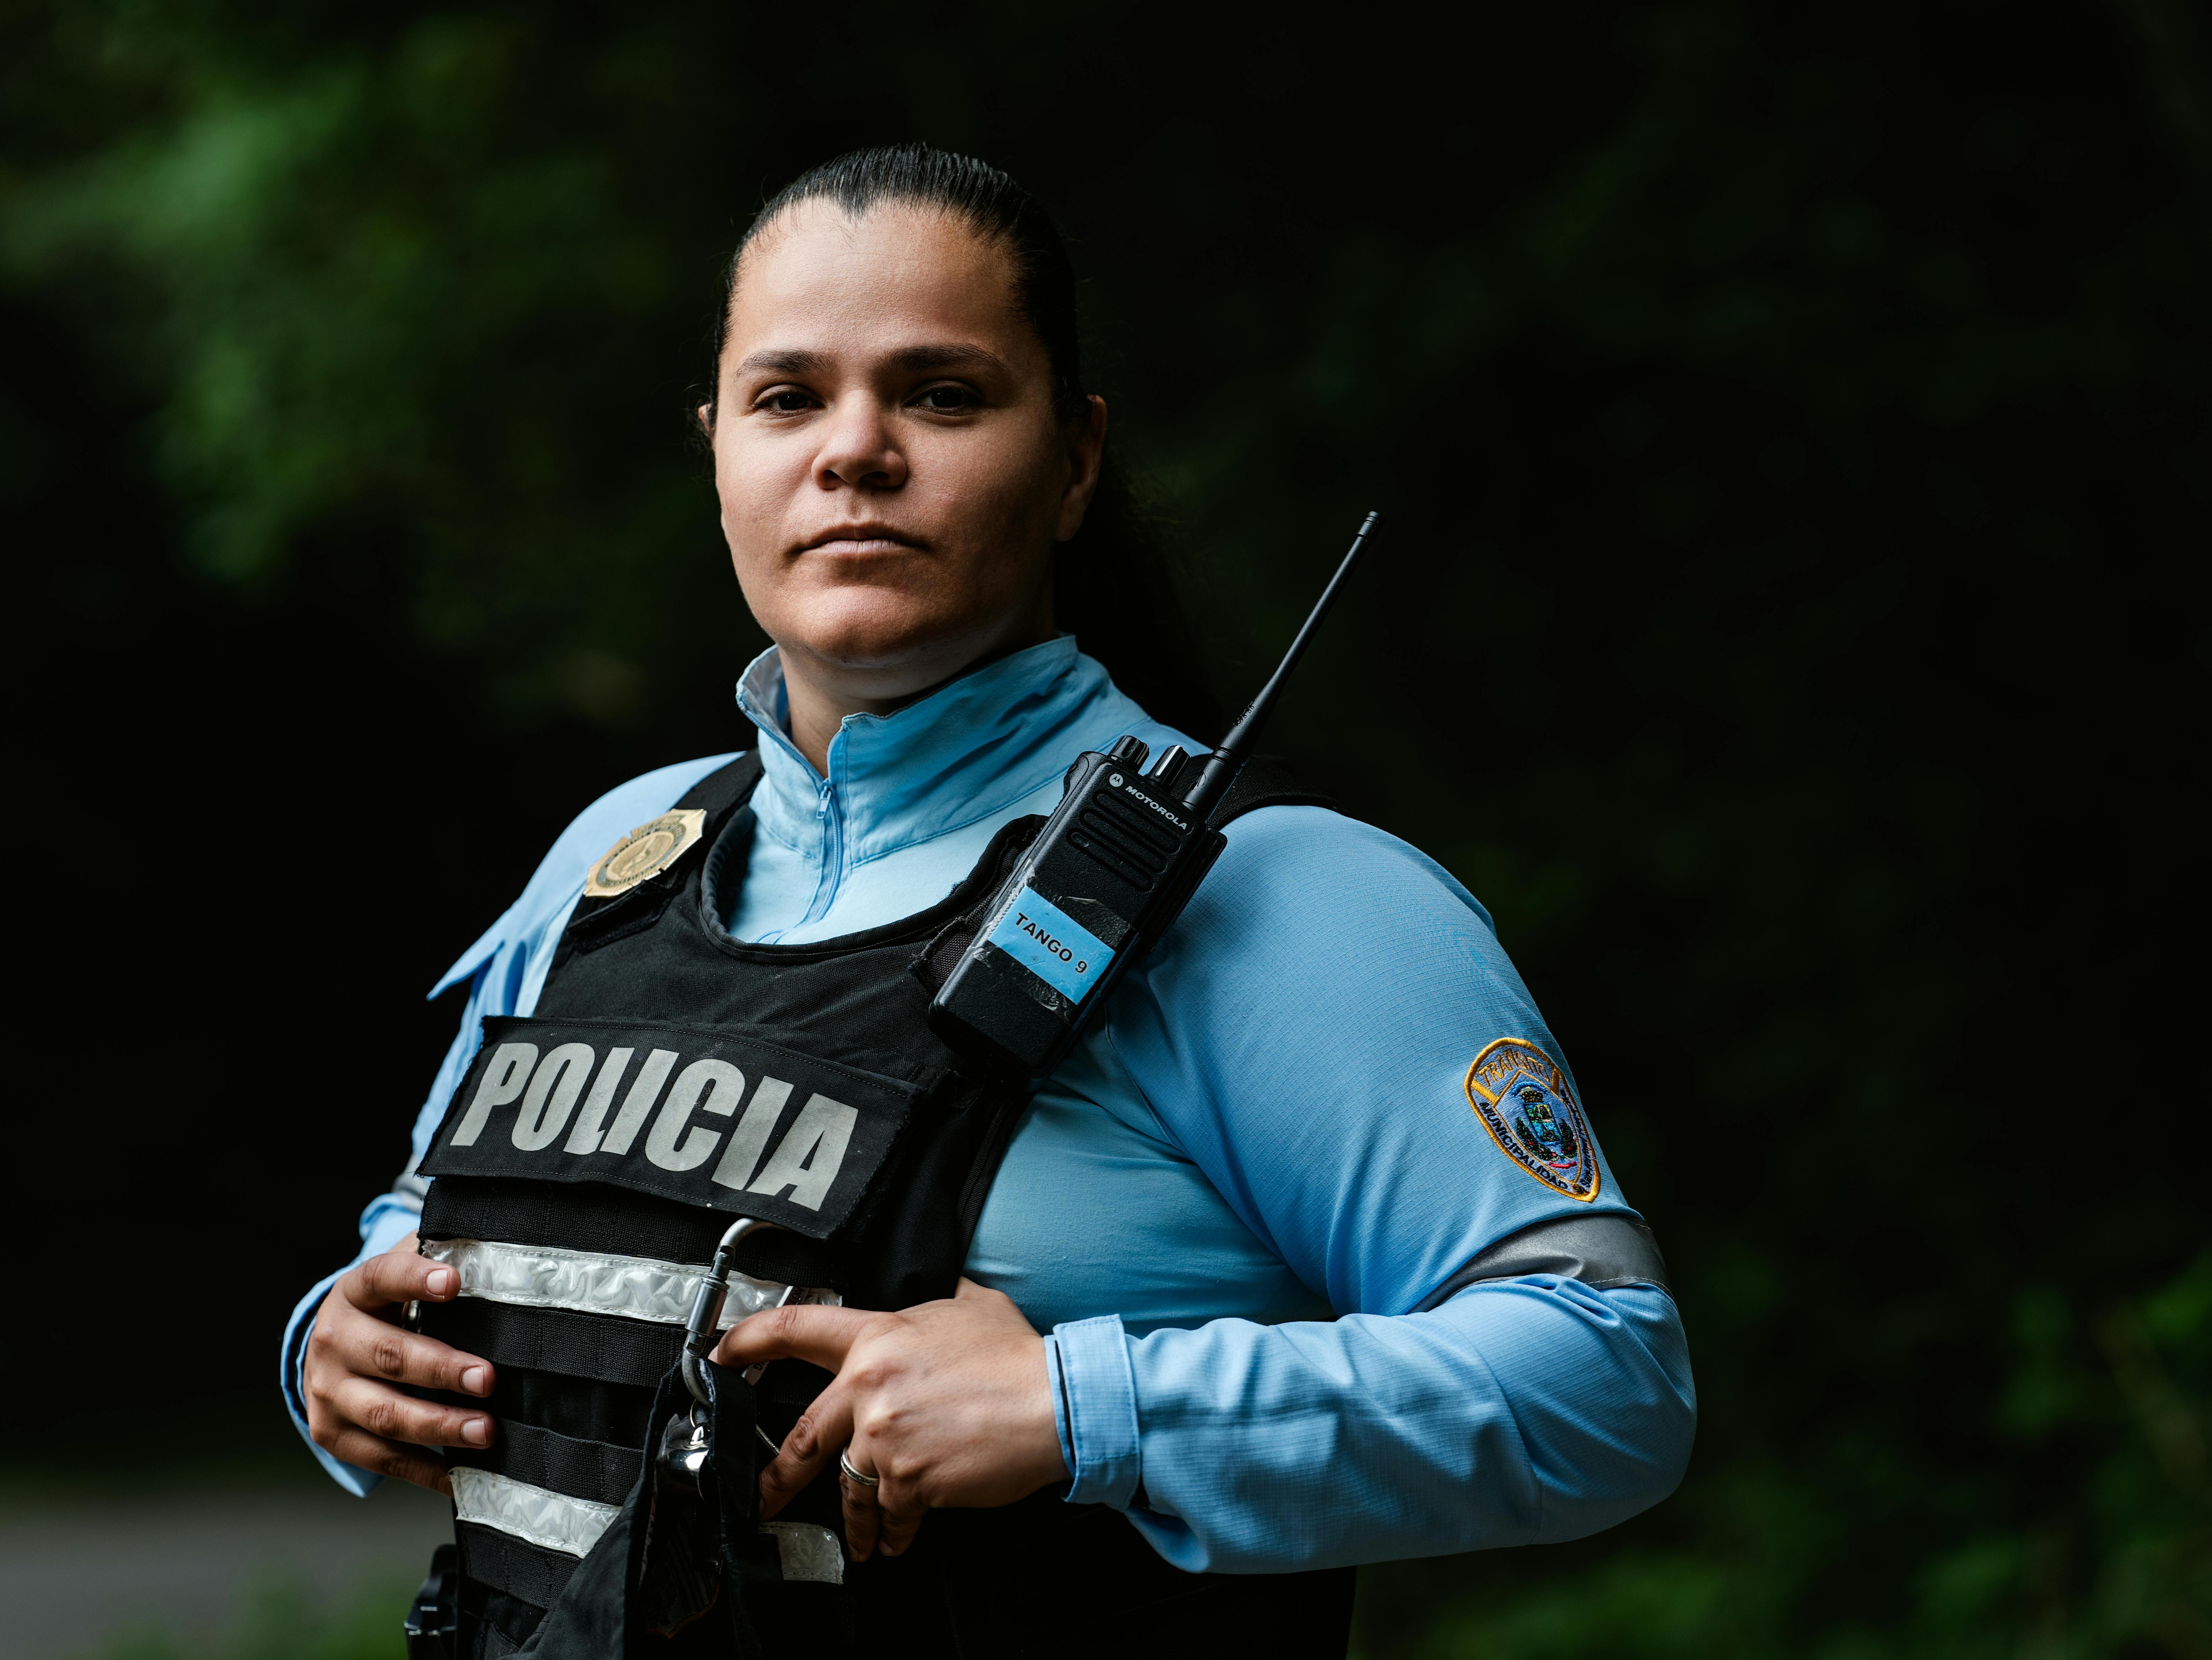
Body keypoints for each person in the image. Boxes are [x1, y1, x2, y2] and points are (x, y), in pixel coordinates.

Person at [282, 145, 1695, 1659]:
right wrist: (336, 1343)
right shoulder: (621, 850)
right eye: (786, 398)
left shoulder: (1286, 895)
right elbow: (429, 1222)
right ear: (717, 453)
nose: (854, 452)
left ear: (1075, 457)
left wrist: (1085, 1407)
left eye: (941, 394)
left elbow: (1605, 1382)